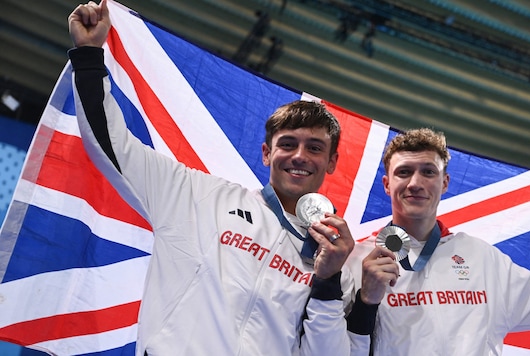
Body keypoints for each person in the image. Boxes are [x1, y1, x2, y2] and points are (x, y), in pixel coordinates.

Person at [67, 1, 357, 355]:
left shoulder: (333, 253)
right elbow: (114, 148)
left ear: (331, 162)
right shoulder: (197, 195)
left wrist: (328, 281)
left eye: (314, 148)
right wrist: (88, 56)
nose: (299, 156)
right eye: (288, 144)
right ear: (266, 153)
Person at [345, 128, 530, 355]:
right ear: (387, 185)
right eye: (404, 172)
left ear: (444, 183)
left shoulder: (480, 257)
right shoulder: (358, 261)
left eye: (428, 172)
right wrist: (365, 301)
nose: (415, 183)